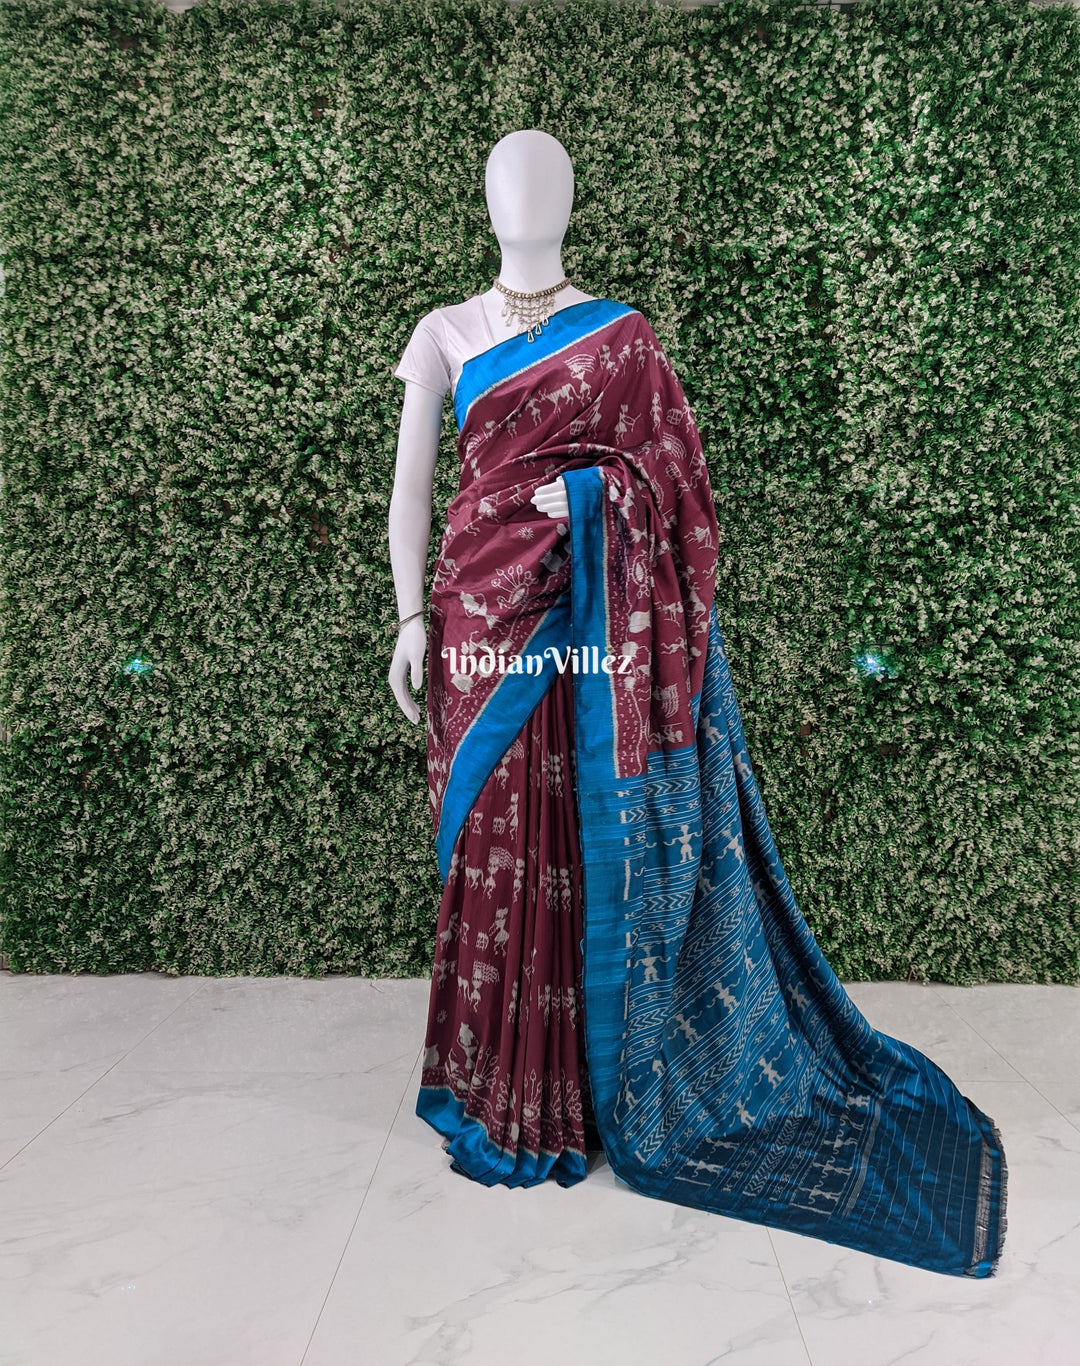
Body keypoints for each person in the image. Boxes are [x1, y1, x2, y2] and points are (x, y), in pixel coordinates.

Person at [386, 128, 1007, 1277]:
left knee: (580, 850)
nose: (526, 201)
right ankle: (500, 1084)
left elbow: (676, 490)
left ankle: (578, 1092)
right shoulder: (442, 332)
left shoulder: (622, 337)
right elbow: (413, 491)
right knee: (500, 847)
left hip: (588, 631)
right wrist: (411, 619)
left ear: (570, 199)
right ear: (483, 198)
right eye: (509, 182)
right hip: (480, 629)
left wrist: (591, 498)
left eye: (545, 182)